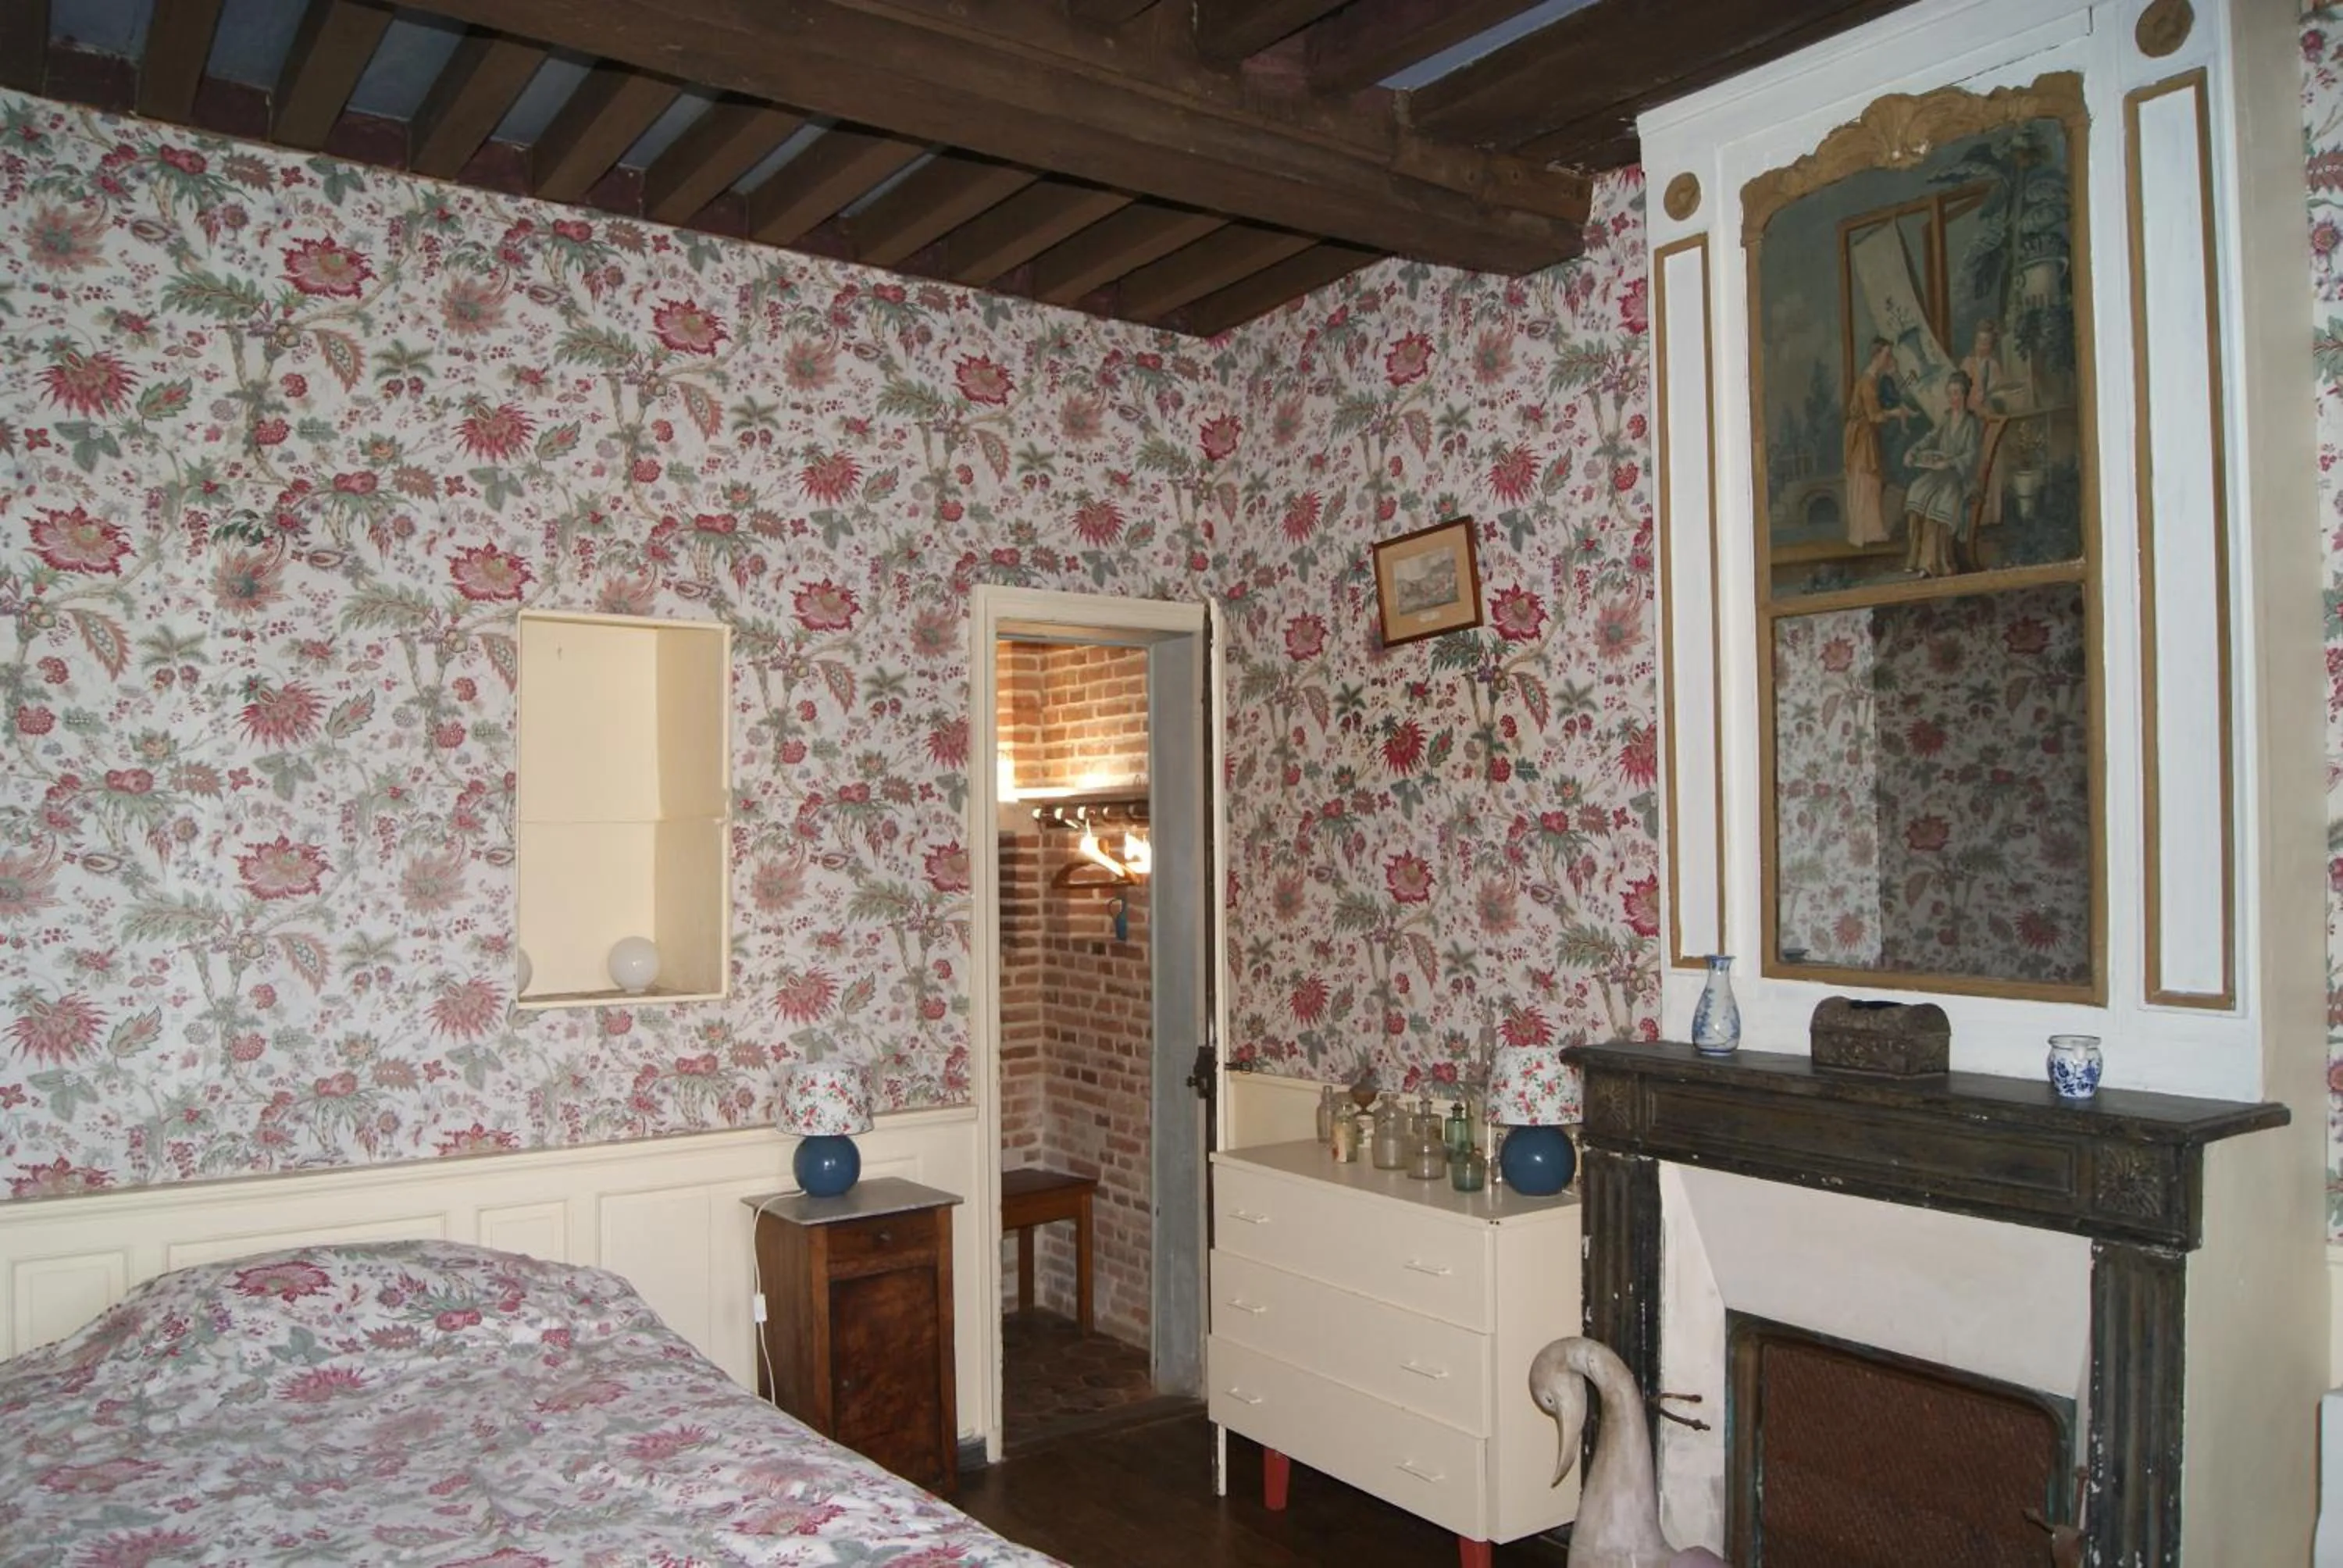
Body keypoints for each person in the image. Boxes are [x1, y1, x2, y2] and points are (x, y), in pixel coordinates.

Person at [1903, 369, 1980, 577]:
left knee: (1938, 503)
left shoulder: (1971, 423)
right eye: (1951, 394)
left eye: (1958, 393)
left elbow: (1972, 455)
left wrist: (1950, 463)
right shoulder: (1946, 418)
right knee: (1917, 491)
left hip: (1960, 477)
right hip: (1940, 474)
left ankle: (1933, 564)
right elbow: (1930, 437)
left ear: (1965, 396)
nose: (1954, 398)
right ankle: (1915, 558)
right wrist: (1914, 451)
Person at [1842, 337, 1912, 547]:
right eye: (1887, 355)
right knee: (1867, 482)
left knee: (1868, 482)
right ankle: (1866, 532)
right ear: (1877, 356)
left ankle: (1869, 530)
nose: (1889, 359)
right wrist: (1896, 412)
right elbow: (1875, 416)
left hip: (1863, 434)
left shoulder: (1870, 379)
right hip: (1862, 436)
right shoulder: (1869, 382)